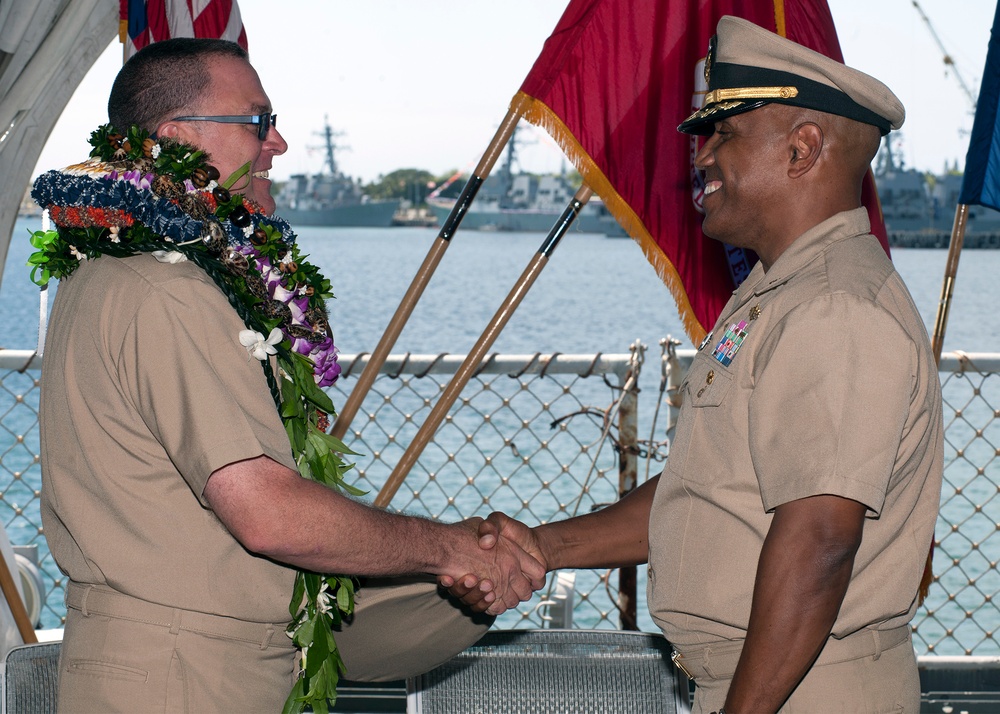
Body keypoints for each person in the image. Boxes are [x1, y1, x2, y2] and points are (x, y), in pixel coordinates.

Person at [445, 15, 943, 714]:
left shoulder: (835, 308)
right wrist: (541, 546)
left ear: (803, 150)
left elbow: (820, 542)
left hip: (802, 692)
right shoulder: (778, 294)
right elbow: (710, 493)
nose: (701, 157)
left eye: (725, 134)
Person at [35, 38, 542, 713]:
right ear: (177, 139)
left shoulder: (108, 271)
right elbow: (268, 514)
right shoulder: (170, 292)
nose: (276, 144)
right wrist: (448, 548)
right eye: (256, 122)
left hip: (173, 660)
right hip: (186, 676)